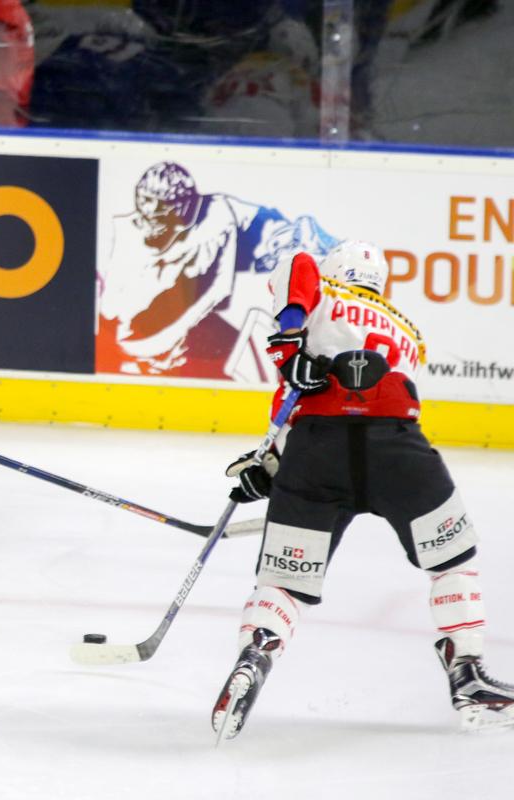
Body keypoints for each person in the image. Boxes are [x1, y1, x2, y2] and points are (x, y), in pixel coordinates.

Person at [214, 240, 514, 740]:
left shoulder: (322, 292)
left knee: (284, 580)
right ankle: (467, 671)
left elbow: (297, 269)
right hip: (397, 451)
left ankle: (255, 655)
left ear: (334, 271)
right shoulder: (408, 331)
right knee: (452, 560)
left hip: (316, 451)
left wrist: (272, 457)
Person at [96, 161, 336, 380]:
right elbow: (111, 311)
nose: (150, 222)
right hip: (142, 340)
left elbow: (288, 233)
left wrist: (297, 240)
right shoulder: (123, 234)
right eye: (145, 212)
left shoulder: (217, 213)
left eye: (160, 215)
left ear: (182, 208)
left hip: (191, 337)